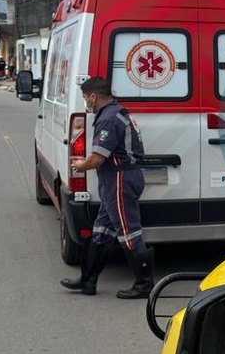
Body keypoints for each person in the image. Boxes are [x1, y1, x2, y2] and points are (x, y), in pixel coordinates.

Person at [60, 77, 154, 298]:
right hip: (115, 180)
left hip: (120, 180)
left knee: (129, 232)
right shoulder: (117, 112)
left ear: (93, 96)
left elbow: (97, 159)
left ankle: (144, 284)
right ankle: (87, 281)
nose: (86, 103)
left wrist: (80, 165)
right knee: (101, 231)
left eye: (85, 98)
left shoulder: (109, 119)